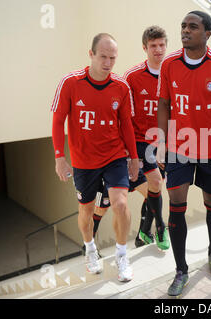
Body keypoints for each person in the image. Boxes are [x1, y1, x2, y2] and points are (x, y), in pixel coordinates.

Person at [156, 11, 211, 296]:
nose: (185, 30)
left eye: (192, 27)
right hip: (178, 147)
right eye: (183, 26)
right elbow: (163, 105)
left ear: (207, 33)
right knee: (176, 202)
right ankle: (181, 270)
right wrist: (160, 143)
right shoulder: (169, 64)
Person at [51, 33, 139, 282]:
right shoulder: (70, 82)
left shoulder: (121, 87)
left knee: (120, 204)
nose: (108, 62)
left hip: (114, 155)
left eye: (113, 57)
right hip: (83, 160)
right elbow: (58, 122)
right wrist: (60, 157)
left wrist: (133, 158)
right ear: (90, 54)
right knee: (86, 210)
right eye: (103, 56)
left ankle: (122, 255)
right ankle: (90, 249)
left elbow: (126, 125)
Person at [123, 25, 170, 251]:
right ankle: (161, 227)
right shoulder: (132, 77)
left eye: (162, 45)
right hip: (141, 141)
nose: (158, 49)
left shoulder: (174, 73)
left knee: (156, 189)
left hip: (165, 142)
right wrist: (128, 150)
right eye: (153, 45)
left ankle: (143, 231)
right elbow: (123, 116)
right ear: (145, 48)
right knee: (155, 183)